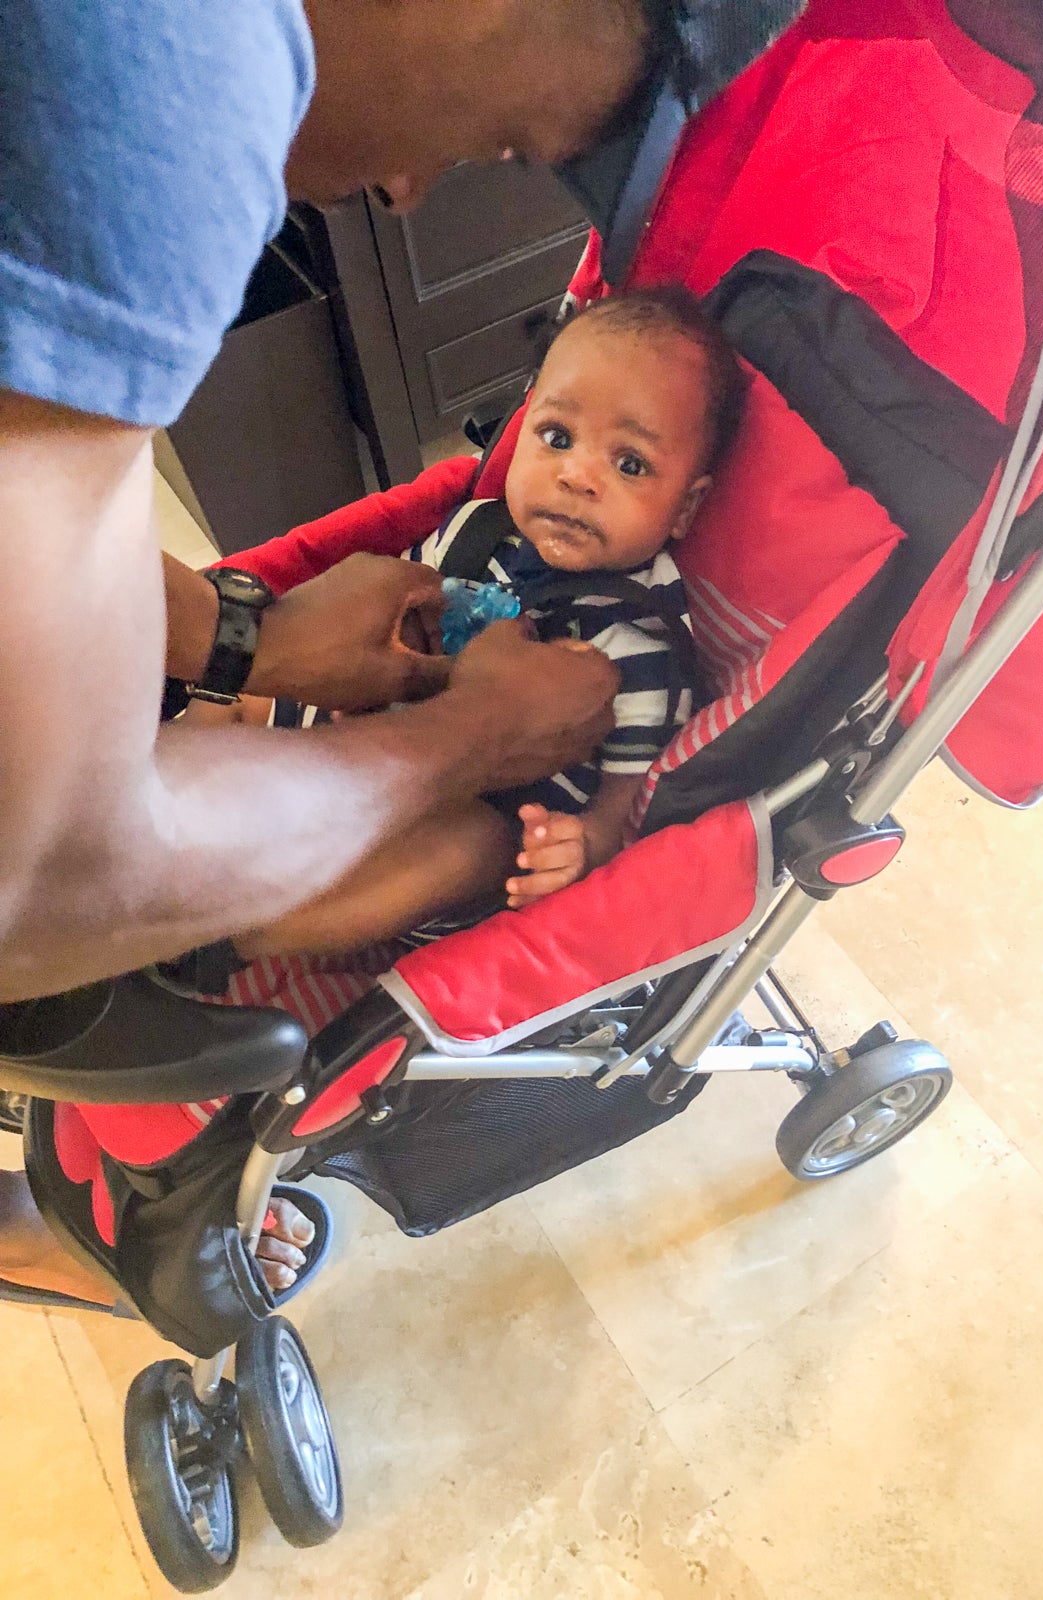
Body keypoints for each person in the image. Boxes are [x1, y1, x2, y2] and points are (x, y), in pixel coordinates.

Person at [0, 0, 667, 1301]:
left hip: (488, 799)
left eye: (631, 462)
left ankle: (224, 929)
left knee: (464, 839)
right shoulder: (164, 74)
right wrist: (458, 735)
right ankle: (211, 948)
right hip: (385, 764)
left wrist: (256, 639)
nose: (412, 187)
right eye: (503, 143)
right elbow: (34, 887)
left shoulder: (652, 626)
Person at [232, 287, 750, 959]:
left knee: (472, 844)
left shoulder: (641, 647)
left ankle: (229, 944)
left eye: (629, 464)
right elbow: (393, 627)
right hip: (352, 747)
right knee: (246, 681)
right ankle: (128, 808)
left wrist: (583, 843)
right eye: (557, 438)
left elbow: (628, 803)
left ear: (686, 507)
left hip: (466, 823)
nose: (576, 476)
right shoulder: (474, 531)